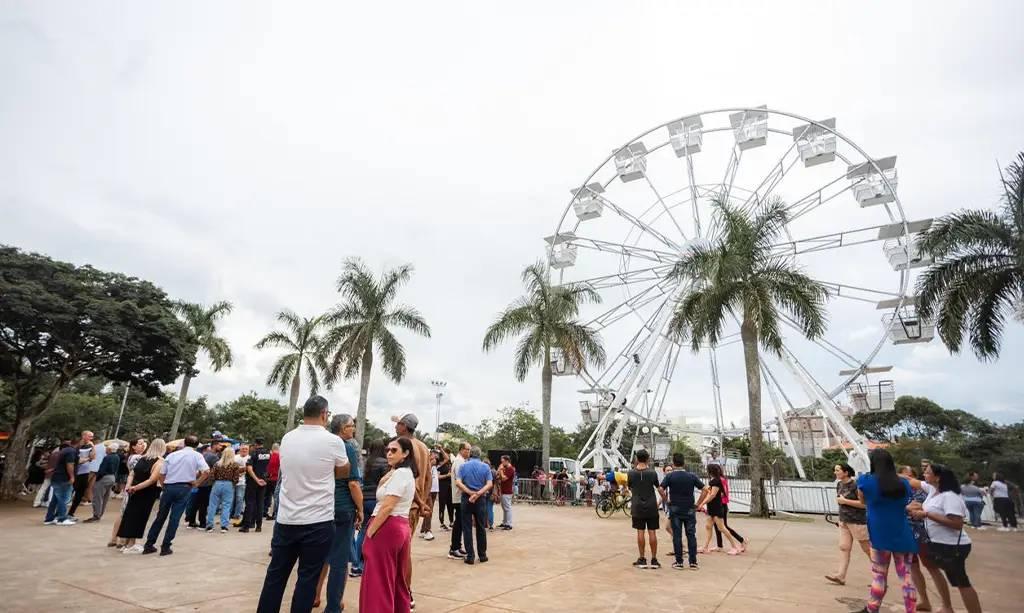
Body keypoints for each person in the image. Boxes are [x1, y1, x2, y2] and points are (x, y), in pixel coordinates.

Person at [256, 396, 349, 613]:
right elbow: (344, 470)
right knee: (307, 578)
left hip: (287, 518)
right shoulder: (333, 441)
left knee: (276, 575)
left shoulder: (288, 438)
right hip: (318, 520)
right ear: (325, 414)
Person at [907, 463, 983, 613]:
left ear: (938, 477)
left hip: (952, 546)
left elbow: (956, 523)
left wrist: (926, 514)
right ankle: (947, 608)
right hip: (940, 544)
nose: (924, 475)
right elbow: (910, 480)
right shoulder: (933, 489)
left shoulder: (949, 496)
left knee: (962, 583)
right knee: (957, 580)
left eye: (928, 473)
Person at [359, 436, 418, 613]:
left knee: (378, 579)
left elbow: (388, 505)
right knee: (395, 578)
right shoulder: (401, 472)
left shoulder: (401, 474)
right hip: (398, 525)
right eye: (388, 450)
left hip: (388, 525)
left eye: (394, 450)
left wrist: (370, 532)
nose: (389, 453)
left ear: (406, 453)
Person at [855, 449, 918, 613]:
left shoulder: (866, 481)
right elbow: (907, 498)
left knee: (879, 575)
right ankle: (911, 610)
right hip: (902, 533)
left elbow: (862, 500)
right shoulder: (903, 483)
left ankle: (872, 608)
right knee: (906, 577)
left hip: (879, 534)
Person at [314, 413, 362, 613]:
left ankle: (312, 596)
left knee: (320, 556)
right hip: (343, 508)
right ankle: (333, 606)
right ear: (343, 429)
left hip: (323, 507)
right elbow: (352, 483)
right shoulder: (347, 447)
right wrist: (360, 509)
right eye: (352, 426)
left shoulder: (322, 445)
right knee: (339, 561)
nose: (354, 429)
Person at [142, 434, 209, 556]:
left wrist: (164, 485)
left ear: (184, 442)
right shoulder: (197, 456)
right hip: (184, 487)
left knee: (160, 516)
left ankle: (149, 544)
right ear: (196, 445)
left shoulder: (172, 455)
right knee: (175, 518)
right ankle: (166, 546)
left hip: (169, 486)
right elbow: (206, 471)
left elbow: (162, 473)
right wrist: (196, 483)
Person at [393, 412, 431, 608]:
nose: (395, 426)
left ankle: (404, 593)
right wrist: (423, 502)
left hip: (402, 505)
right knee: (404, 551)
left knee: (400, 553)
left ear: (405, 427)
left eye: (398, 423)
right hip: (415, 506)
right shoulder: (424, 447)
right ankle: (404, 592)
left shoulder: (402, 445)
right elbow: (427, 479)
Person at [897, 466, 942, 613]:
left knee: (931, 567)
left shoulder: (926, 490)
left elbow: (927, 508)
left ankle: (945, 603)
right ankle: (925, 601)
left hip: (923, 534)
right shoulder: (898, 493)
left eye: (909, 476)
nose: (906, 480)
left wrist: (918, 508)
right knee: (913, 568)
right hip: (906, 534)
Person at [825, 463, 870, 586]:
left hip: (857, 521)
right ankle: (841, 575)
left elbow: (864, 504)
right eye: (835, 470)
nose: (835, 472)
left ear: (846, 472)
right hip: (844, 520)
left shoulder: (856, 485)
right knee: (844, 547)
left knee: (867, 549)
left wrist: (846, 501)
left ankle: (880, 574)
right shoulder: (839, 484)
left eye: (838, 470)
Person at [119, 439, 166, 553]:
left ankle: (126, 543)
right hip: (146, 492)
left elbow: (132, 473)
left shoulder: (142, 458)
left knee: (129, 515)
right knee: (140, 518)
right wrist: (136, 487)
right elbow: (152, 480)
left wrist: (130, 486)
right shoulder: (160, 461)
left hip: (134, 491)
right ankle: (131, 545)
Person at [658, 452, 704, 570]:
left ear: (673, 464)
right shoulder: (691, 476)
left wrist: (666, 500)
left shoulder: (670, 476)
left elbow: (660, 489)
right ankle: (693, 562)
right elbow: (705, 489)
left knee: (677, 535)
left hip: (675, 508)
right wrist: (698, 504)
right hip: (689, 508)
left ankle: (679, 562)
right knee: (691, 535)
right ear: (684, 463)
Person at [351, 439, 388, 579]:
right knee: (373, 532)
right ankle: (365, 563)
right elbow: (386, 481)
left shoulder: (366, 462)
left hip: (364, 498)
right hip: (375, 500)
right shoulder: (384, 463)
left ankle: (356, 564)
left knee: (362, 531)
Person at [456, 446, 493, 565]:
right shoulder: (485, 467)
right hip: (480, 499)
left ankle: (470, 556)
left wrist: (470, 493)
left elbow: (458, 482)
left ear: (470, 454)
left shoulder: (463, 466)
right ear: (480, 454)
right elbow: (489, 484)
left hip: (467, 499)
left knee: (467, 528)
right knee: (481, 527)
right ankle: (482, 555)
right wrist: (478, 494)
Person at [696, 463, 742, 556]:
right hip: (711, 508)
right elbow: (710, 493)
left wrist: (702, 503)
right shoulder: (713, 481)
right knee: (708, 526)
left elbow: (712, 495)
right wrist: (703, 503)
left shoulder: (716, 481)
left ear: (710, 471)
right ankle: (705, 547)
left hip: (717, 508)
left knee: (722, 528)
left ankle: (735, 547)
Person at [627, 449, 662, 569]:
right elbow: (658, 487)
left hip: (637, 506)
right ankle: (654, 559)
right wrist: (664, 499)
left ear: (636, 458)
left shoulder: (631, 473)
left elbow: (630, 487)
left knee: (640, 532)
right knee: (652, 532)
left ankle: (642, 558)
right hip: (651, 505)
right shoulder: (652, 473)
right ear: (647, 459)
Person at [205, 446, 244, 533]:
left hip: (217, 484)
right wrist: (233, 484)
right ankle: (224, 526)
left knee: (212, 505)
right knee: (226, 505)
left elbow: (211, 476)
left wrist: (214, 482)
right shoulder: (234, 465)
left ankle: (209, 525)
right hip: (229, 484)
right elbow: (236, 478)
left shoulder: (217, 464)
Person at [187, 437, 223, 529]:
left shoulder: (204, 455)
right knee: (204, 504)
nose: (221, 446)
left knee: (195, 503)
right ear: (214, 445)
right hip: (207, 483)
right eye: (219, 445)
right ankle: (202, 523)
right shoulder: (214, 457)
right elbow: (217, 470)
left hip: (198, 481)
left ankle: (191, 522)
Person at [43, 439, 78, 526]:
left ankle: (50, 518)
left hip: (57, 477)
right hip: (63, 478)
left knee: (55, 499)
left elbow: (63, 464)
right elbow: (69, 464)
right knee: (63, 498)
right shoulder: (71, 451)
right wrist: (72, 477)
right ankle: (61, 518)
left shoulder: (62, 451)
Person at [84, 443, 120, 522]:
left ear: (110, 450)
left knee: (98, 497)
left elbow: (102, 469)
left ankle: (96, 515)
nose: (106, 450)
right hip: (112, 477)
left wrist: (97, 478)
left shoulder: (107, 457)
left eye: (107, 448)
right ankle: (99, 514)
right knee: (105, 498)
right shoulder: (117, 457)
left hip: (104, 477)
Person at [241, 438, 272, 533]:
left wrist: (256, 479)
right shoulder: (268, 454)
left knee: (250, 503)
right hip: (263, 481)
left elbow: (249, 469)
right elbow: (269, 467)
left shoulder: (254, 454)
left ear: (255, 444)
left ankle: (246, 526)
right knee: (260, 503)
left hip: (253, 481)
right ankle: (259, 526)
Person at [712, 470, 746, 553]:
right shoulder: (720, 479)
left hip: (722, 504)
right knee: (717, 525)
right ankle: (719, 545)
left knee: (724, 526)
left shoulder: (720, 480)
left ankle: (741, 540)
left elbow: (723, 493)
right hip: (719, 504)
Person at [448, 441, 471, 560]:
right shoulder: (459, 462)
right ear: (462, 449)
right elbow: (459, 480)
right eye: (468, 449)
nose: (469, 452)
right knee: (458, 523)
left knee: (460, 523)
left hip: (460, 496)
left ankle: (457, 546)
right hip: (459, 496)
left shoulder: (462, 461)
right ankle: (453, 549)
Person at [68, 431, 96, 518]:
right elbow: (78, 461)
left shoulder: (90, 446)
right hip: (76, 473)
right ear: (83, 436)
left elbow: (93, 457)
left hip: (85, 473)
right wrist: (87, 459)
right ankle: (60, 513)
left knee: (80, 494)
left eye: (92, 437)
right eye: (90, 436)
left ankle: (71, 513)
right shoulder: (77, 446)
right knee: (69, 492)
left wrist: (92, 446)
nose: (91, 438)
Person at [418, 451, 439, 541]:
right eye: (433, 454)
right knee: (428, 510)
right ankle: (427, 531)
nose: (435, 456)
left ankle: (423, 530)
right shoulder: (425, 465)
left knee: (430, 510)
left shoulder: (435, 465)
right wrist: (429, 462)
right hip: (428, 491)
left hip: (435, 490)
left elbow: (446, 459)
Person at [33, 443, 61, 508]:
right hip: (55, 474)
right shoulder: (60, 456)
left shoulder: (51, 455)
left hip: (48, 474)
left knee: (43, 488)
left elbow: (47, 464)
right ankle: (49, 502)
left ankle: (36, 502)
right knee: (52, 489)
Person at [437, 446, 454, 530]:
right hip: (442, 486)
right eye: (447, 453)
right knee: (442, 505)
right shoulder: (440, 464)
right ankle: (442, 522)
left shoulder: (450, 463)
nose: (448, 455)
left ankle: (451, 521)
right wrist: (446, 475)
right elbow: (437, 477)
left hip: (450, 486)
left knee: (450, 504)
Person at [232, 443, 249, 521]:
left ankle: (237, 515)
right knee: (231, 499)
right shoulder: (235, 458)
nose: (244, 450)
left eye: (246, 449)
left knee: (239, 498)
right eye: (243, 449)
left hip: (243, 482)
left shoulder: (250, 458)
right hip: (233, 481)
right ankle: (230, 514)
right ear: (240, 449)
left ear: (248, 450)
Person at [498, 455, 515, 530]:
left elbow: (504, 478)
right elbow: (499, 477)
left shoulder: (510, 469)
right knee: (504, 508)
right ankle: (505, 522)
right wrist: (500, 470)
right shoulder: (505, 468)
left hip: (507, 491)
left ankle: (509, 524)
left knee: (507, 508)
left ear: (507, 461)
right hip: (503, 490)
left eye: (503, 461)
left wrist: (501, 470)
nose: (502, 463)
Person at [265, 442, 281, 519]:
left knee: (267, 496)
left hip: (268, 478)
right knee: (275, 497)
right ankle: (274, 513)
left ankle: (265, 511)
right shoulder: (280, 457)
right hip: (276, 479)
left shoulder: (269, 456)